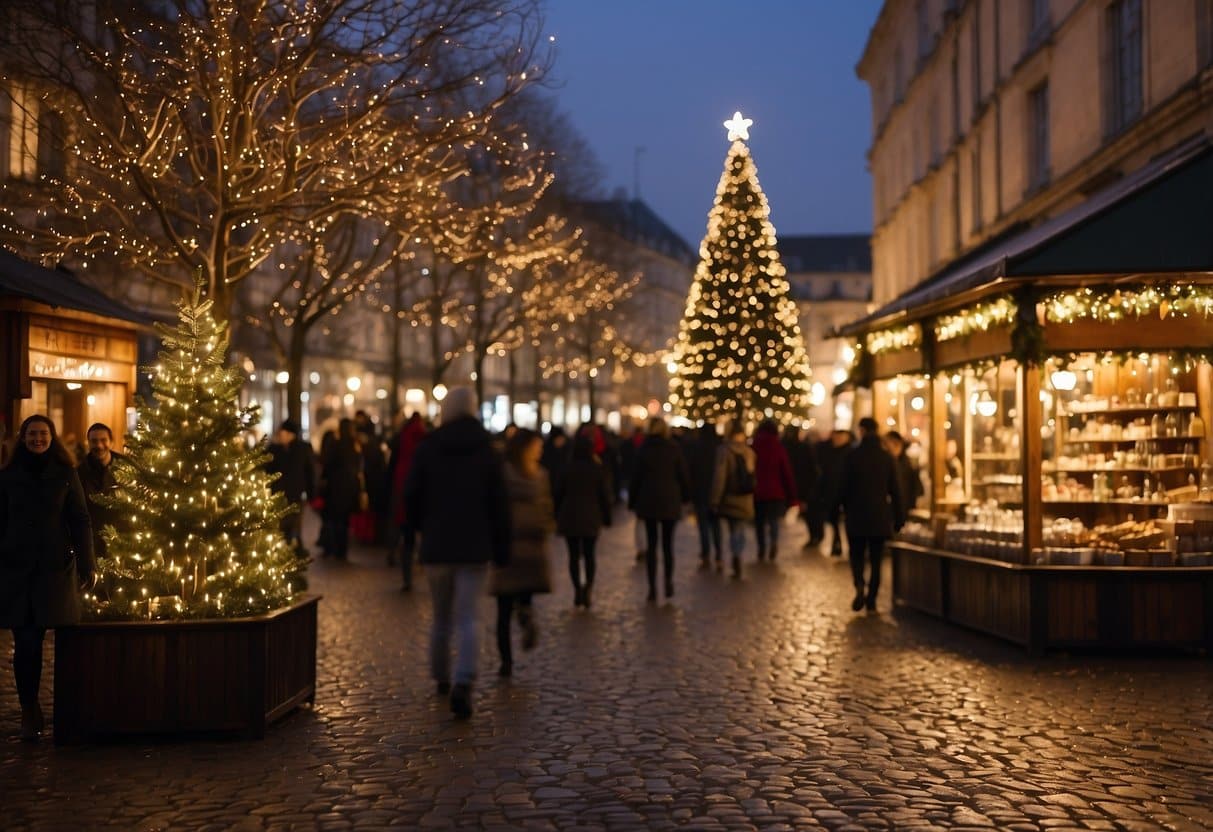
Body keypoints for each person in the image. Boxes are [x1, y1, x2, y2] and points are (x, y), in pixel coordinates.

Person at [404, 386, 509, 719]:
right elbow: (499, 504)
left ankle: (441, 676)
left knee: (440, 618)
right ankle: (464, 680)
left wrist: (418, 531)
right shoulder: (487, 450)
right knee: (468, 617)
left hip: (437, 545)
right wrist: (501, 547)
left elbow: (411, 496)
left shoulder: (428, 448)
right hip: (474, 546)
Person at [0, 415, 96, 741]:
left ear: (51, 438)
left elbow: (80, 520)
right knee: (27, 644)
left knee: (67, 640)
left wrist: (88, 564)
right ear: (23, 438)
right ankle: (30, 708)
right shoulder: (8, 476)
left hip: (55, 571)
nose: (37, 439)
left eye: (43, 434)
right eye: (32, 434)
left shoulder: (66, 474)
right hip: (18, 572)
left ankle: (70, 710)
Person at [490, 429, 554, 678]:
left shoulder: (502, 475)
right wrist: (545, 528)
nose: (540, 450)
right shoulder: (540, 477)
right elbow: (547, 508)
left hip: (507, 546)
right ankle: (526, 621)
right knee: (523, 599)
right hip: (530, 547)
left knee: (503, 609)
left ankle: (506, 661)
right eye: (537, 446)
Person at [836, 417, 903, 613]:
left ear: (862, 431)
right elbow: (896, 491)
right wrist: (899, 519)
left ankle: (859, 585)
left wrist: (837, 508)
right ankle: (872, 599)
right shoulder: (886, 458)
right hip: (879, 516)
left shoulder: (851, 456)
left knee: (856, 555)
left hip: (856, 517)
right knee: (876, 560)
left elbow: (842, 487)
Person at [628, 417, 690, 602]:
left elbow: (636, 478)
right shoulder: (674, 449)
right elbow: (683, 475)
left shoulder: (643, 450)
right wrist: (686, 497)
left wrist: (633, 501)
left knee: (652, 546)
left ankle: (652, 587)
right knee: (668, 545)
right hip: (670, 501)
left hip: (649, 502)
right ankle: (668, 581)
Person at [555, 433, 613, 608]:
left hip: (570, 516)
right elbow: (604, 495)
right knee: (589, 555)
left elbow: (558, 494)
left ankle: (577, 590)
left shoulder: (567, 468)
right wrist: (607, 517)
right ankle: (588, 588)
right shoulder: (596, 468)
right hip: (591, 516)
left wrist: (556, 515)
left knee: (573, 556)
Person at [385, 413, 426, 590]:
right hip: (420, 489)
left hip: (401, 486)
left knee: (403, 529)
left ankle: (405, 574)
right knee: (417, 531)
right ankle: (421, 561)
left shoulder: (401, 437)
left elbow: (392, 462)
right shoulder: (424, 439)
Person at [712, 421, 756, 579]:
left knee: (732, 528)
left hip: (729, 497)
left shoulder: (723, 451)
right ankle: (738, 553)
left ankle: (735, 554)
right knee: (740, 528)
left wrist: (715, 499)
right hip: (745, 498)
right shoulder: (749, 452)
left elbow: (719, 478)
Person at [265, 419, 315, 555]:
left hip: (294, 493)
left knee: (292, 524)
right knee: (285, 524)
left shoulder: (302, 449)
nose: (280, 435)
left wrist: (311, 494)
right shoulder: (275, 449)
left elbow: (310, 472)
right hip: (280, 494)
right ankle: (289, 549)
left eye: (283, 432)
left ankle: (293, 549)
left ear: (290, 434)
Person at [751, 419, 797, 562]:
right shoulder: (778, 447)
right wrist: (792, 495)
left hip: (757, 491)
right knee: (773, 521)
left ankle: (761, 548)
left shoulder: (754, 446)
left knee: (759, 522)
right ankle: (774, 542)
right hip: (776, 492)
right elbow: (786, 472)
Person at [318, 418, 364, 560]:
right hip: (350, 487)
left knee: (334, 519)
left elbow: (327, 464)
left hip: (335, 486)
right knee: (344, 520)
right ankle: (342, 550)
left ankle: (333, 547)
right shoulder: (355, 445)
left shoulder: (335, 444)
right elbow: (359, 466)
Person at [77, 422, 124, 561]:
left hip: (121, 536)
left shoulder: (125, 466)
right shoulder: (80, 471)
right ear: (88, 443)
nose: (99, 445)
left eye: (103, 440)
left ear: (111, 442)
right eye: (94, 441)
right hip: (92, 538)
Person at [686, 424, 723, 570]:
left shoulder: (696, 448)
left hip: (700, 493)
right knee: (716, 525)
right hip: (716, 493)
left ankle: (706, 554)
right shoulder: (719, 448)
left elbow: (691, 471)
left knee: (703, 526)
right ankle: (719, 554)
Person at [816, 429, 854, 556]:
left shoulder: (851, 453)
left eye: (839, 438)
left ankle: (845, 546)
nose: (836, 440)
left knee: (847, 521)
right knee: (833, 520)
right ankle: (836, 543)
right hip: (832, 491)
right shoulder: (830, 452)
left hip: (846, 493)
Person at [782, 425, 821, 550]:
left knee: (808, 512)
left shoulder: (786, 447)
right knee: (809, 512)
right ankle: (816, 534)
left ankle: (815, 535)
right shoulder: (803, 447)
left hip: (798, 484)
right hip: (805, 483)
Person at [884, 431, 924, 517]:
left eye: (887, 445)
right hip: (897, 508)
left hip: (903, 508)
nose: (885, 448)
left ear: (897, 445)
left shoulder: (905, 463)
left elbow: (914, 486)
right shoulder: (898, 462)